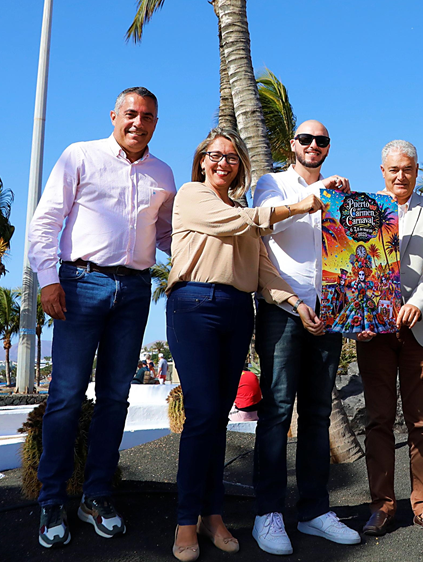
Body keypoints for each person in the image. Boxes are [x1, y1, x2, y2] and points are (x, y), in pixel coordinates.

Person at [27, 87, 176, 549]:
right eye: (131, 113)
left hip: (134, 289)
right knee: (67, 394)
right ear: (113, 115)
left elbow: (171, 235)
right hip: (79, 284)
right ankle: (52, 499)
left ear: (156, 122)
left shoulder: (164, 174)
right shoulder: (80, 156)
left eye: (147, 116)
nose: (138, 122)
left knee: (115, 396)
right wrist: (48, 280)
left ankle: (97, 495)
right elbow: (46, 220)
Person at [164, 127, 323, 560]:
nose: (223, 163)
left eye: (232, 157)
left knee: (218, 418)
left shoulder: (243, 208)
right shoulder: (192, 196)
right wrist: (296, 207)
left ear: (239, 167)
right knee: (200, 416)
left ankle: (212, 515)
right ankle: (184, 522)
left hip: (237, 310)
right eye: (216, 155)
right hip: (194, 305)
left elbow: (263, 268)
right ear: (201, 160)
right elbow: (237, 222)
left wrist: (294, 302)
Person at [250, 120, 361, 555]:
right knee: (277, 410)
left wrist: (345, 204)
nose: (314, 145)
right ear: (293, 145)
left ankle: (314, 511)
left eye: (322, 141)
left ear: (328, 148)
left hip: (328, 311)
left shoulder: (338, 194)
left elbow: (358, 246)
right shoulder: (272, 183)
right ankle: (268, 513)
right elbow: (267, 226)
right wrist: (316, 199)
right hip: (282, 309)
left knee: (316, 413)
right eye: (306, 139)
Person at [354, 140, 423, 538]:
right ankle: (381, 504)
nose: (400, 176)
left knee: (422, 420)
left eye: (407, 169)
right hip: (374, 330)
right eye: (393, 169)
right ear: (382, 171)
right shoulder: (362, 209)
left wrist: (419, 304)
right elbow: (350, 261)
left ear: (416, 170)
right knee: (378, 419)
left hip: (419, 326)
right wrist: (359, 313)